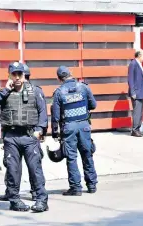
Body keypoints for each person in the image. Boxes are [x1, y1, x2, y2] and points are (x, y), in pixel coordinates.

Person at [0, 62, 48, 212]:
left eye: (19, 74)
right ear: (9, 76)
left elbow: (42, 112)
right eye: (13, 74)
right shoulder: (4, 92)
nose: (17, 77)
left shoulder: (35, 91)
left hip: (29, 137)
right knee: (13, 171)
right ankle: (14, 200)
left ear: (24, 75)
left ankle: (41, 200)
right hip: (11, 137)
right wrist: (5, 91)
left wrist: (39, 130)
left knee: (35, 170)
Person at [51, 65, 98, 196]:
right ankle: (92, 185)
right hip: (84, 125)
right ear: (71, 74)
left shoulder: (59, 92)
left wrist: (55, 132)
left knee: (71, 158)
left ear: (59, 78)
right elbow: (93, 105)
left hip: (68, 128)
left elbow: (55, 116)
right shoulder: (84, 87)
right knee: (87, 154)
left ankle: (76, 188)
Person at [128, 49, 143, 137]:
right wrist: (133, 92)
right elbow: (130, 79)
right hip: (136, 92)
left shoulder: (139, 64)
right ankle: (134, 130)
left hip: (141, 92)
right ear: (139, 55)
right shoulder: (133, 64)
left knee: (140, 112)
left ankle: (138, 129)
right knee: (137, 111)